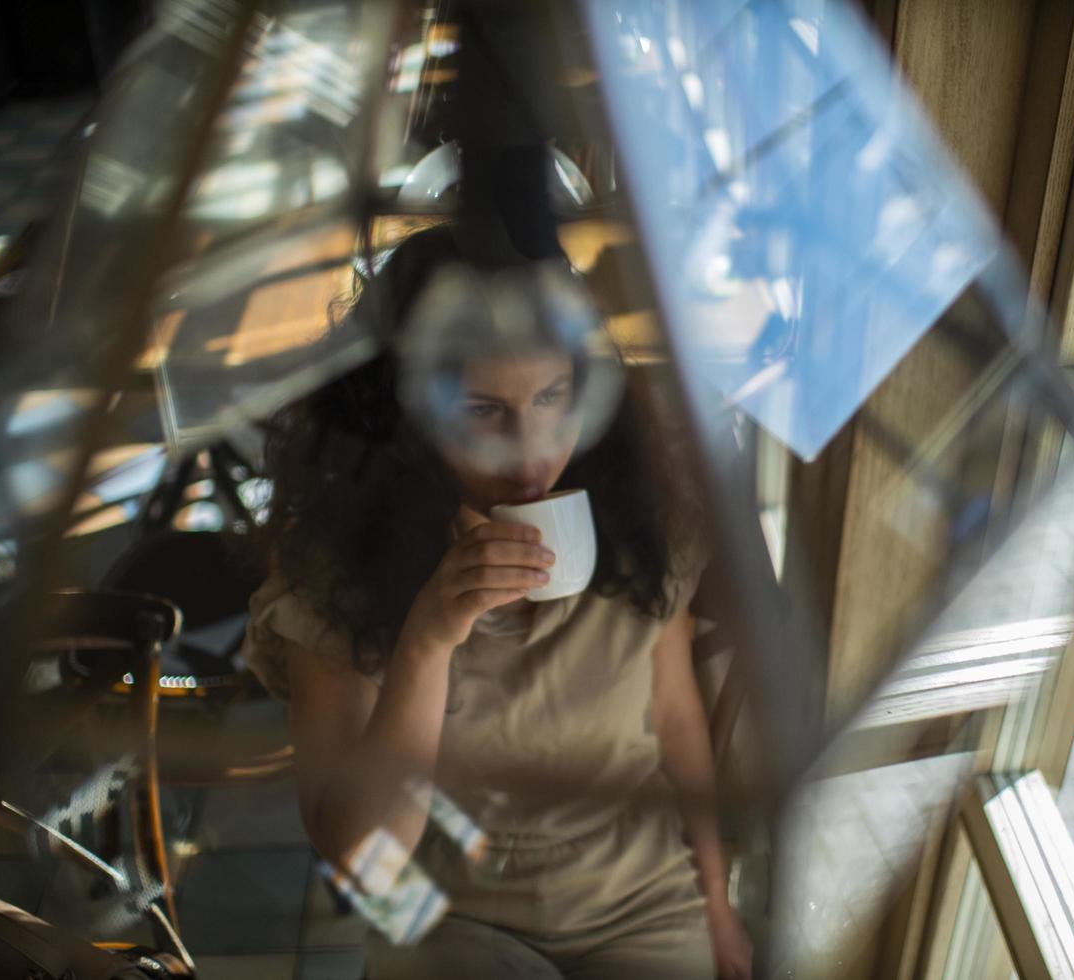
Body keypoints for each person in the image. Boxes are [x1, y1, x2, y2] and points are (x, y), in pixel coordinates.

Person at [240, 225, 752, 979]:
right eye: (483, 411)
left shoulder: (643, 518)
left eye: (553, 396)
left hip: (641, 901)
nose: (532, 449)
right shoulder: (333, 568)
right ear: (405, 416)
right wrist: (425, 643)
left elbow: (675, 720)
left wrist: (715, 902)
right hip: (452, 918)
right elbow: (365, 866)